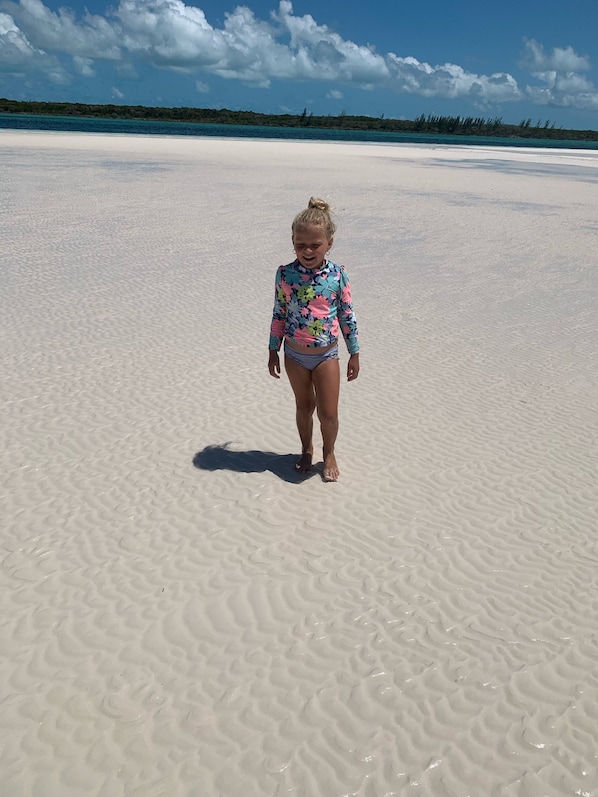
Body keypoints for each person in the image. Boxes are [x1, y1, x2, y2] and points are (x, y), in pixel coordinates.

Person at [268, 197, 360, 482]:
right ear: (292, 242)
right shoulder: (285, 274)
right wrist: (273, 349)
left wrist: (354, 351)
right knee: (304, 407)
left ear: (329, 243)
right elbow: (279, 312)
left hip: (326, 355)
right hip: (294, 354)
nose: (307, 251)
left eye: (315, 245)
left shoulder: (337, 274)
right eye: (300, 245)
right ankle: (306, 449)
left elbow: (346, 314)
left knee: (328, 413)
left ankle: (328, 451)